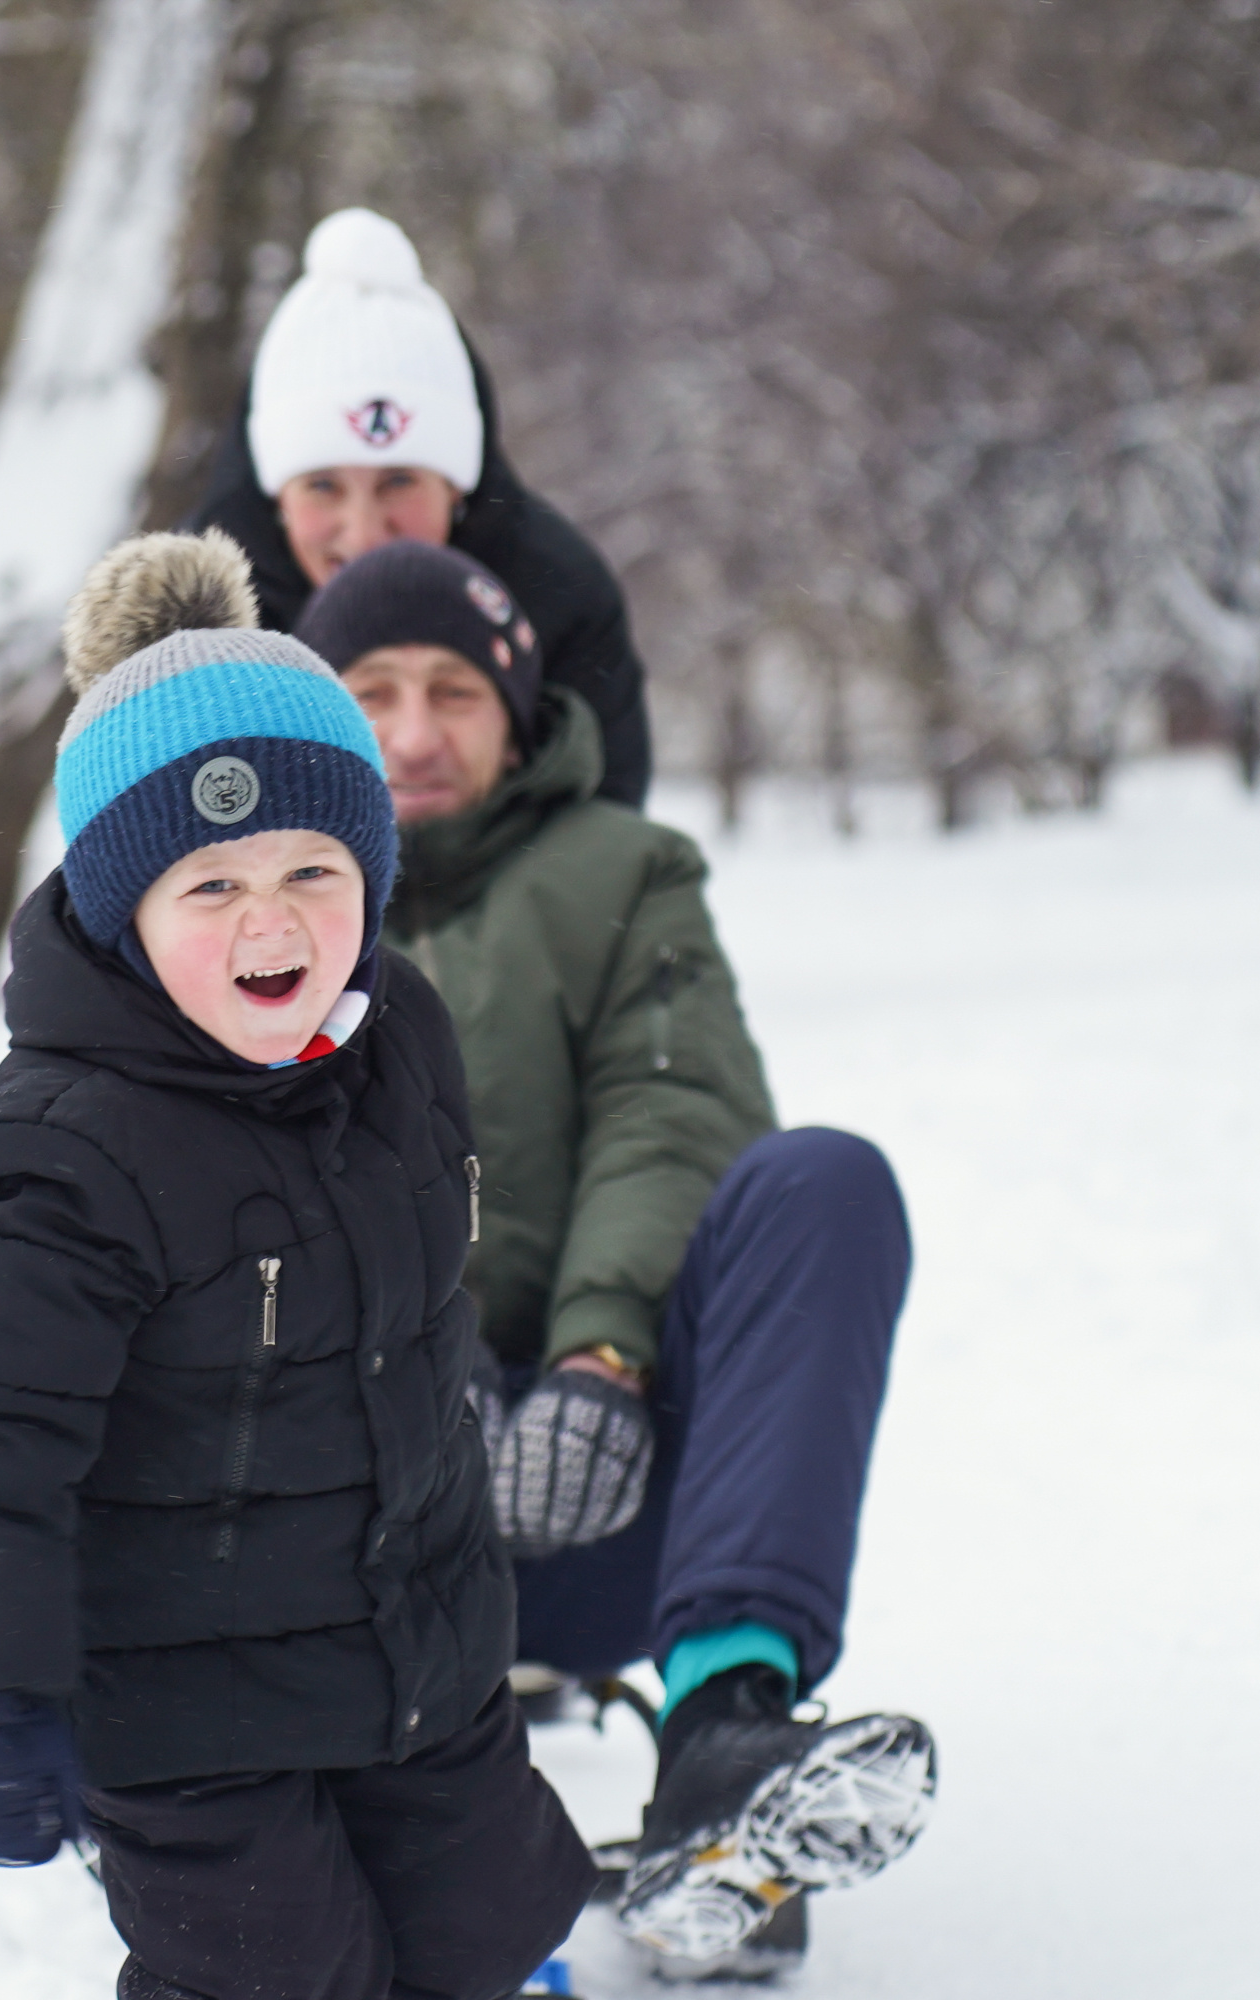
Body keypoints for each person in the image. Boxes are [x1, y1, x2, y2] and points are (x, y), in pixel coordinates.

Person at [0, 530, 598, 2000]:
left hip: (421, 1648)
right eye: (207, 887)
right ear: (122, 915)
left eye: (309, 867)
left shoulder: (402, 1038)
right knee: (277, 1977)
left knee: (488, 1927)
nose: (271, 917)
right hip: (185, 1705)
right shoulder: (67, 1154)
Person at [296, 539, 936, 1979]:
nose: (412, 730)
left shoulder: (623, 872)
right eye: (374, 689)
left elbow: (674, 1110)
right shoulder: (260, 904)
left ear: (517, 712)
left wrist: (600, 1354)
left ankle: (729, 1742)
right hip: (346, 1525)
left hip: (616, 1486)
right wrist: (428, 1364)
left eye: (454, 690)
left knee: (821, 1184)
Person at [185, 207, 658, 812]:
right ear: (274, 497)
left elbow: (606, 844)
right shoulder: (198, 621)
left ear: (457, 488)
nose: (362, 536)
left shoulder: (557, 593)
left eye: (399, 482)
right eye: (323, 486)